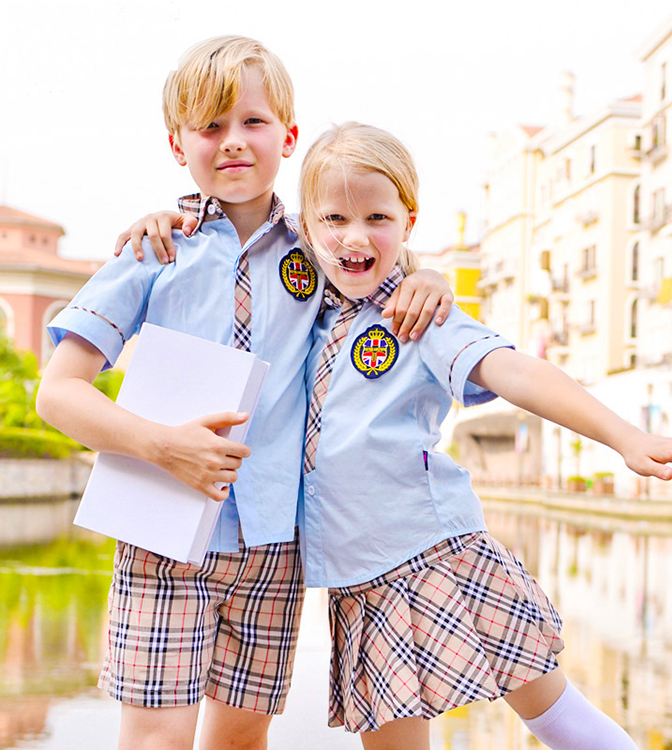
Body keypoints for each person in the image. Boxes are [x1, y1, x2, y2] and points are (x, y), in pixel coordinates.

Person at [36, 40, 452, 750]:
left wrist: (431, 274)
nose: (232, 142)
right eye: (209, 127)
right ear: (178, 146)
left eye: (253, 123)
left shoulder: (316, 251)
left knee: (239, 742)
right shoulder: (153, 252)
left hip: (274, 543)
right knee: (157, 742)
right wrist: (161, 446)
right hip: (162, 536)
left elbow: (378, 251)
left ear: (288, 136)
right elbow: (58, 395)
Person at [293, 122, 672, 750]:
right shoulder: (303, 312)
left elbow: (517, 370)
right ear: (308, 227)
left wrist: (623, 435)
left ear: (409, 221)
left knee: (551, 711)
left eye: (377, 217)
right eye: (334, 218)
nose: (356, 236)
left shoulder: (420, 315)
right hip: (358, 578)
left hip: (435, 550)